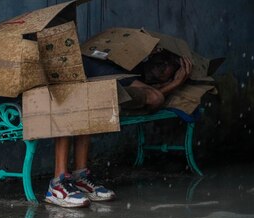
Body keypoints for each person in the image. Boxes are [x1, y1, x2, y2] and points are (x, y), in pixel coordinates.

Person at [44, 50, 193, 208]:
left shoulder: (134, 81)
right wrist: (173, 84)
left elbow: (154, 97)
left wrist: (174, 84)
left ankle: (79, 178)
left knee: (86, 101)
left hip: (83, 77)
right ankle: (58, 183)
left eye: (167, 67)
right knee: (74, 97)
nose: (161, 65)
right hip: (67, 67)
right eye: (163, 59)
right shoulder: (126, 58)